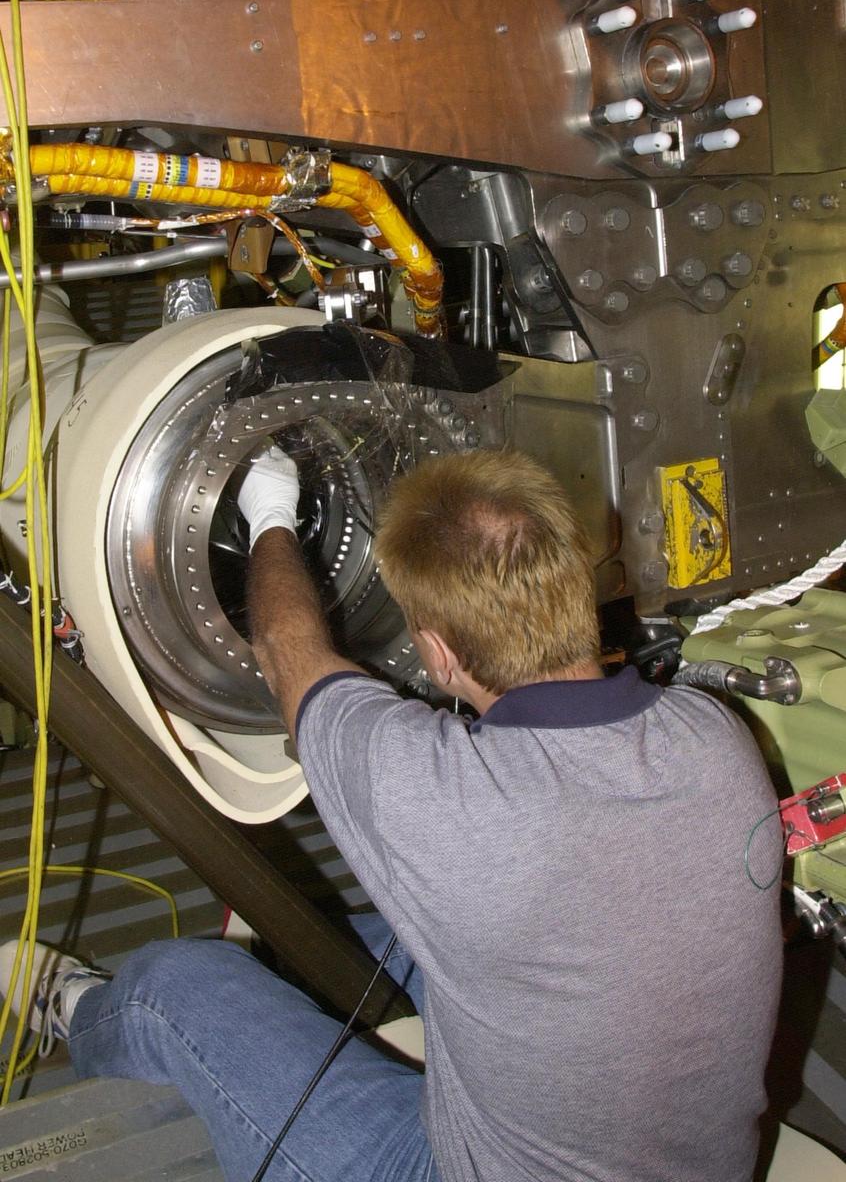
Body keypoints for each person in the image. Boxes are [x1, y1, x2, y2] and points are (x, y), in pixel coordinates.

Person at [0, 447, 783, 1182]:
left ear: (438, 656)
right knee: (312, 950)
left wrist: (270, 513)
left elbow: (284, 645)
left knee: (178, 983)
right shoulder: (715, 735)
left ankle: (77, 1010)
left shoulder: (437, 794)